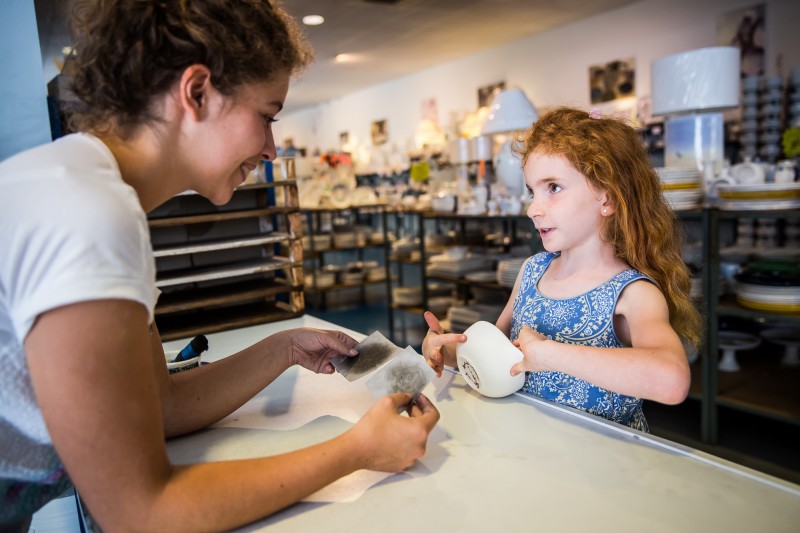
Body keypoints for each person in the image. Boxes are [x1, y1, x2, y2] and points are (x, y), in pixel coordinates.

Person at [0, 1, 439, 531]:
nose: (273, 149)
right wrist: (356, 451)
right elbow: (141, 513)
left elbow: (160, 409)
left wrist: (284, 347)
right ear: (197, 92)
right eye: (266, 117)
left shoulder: (91, 188)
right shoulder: (88, 215)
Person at [422, 106, 701, 432]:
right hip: (531, 450)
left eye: (553, 187)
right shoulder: (531, 272)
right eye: (532, 191)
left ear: (607, 198)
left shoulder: (633, 293)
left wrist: (551, 355)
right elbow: (497, 358)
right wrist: (447, 350)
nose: (533, 209)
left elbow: (672, 381)